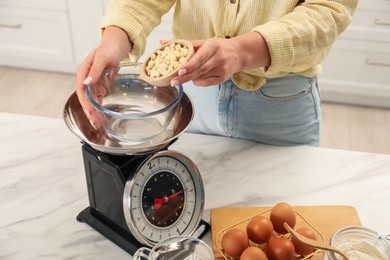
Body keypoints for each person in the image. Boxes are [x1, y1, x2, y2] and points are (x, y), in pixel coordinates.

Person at [76, 0, 358, 146]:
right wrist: (114, 40)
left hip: (279, 105)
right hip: (191, 98)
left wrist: (242, 51)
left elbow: (329, 10)